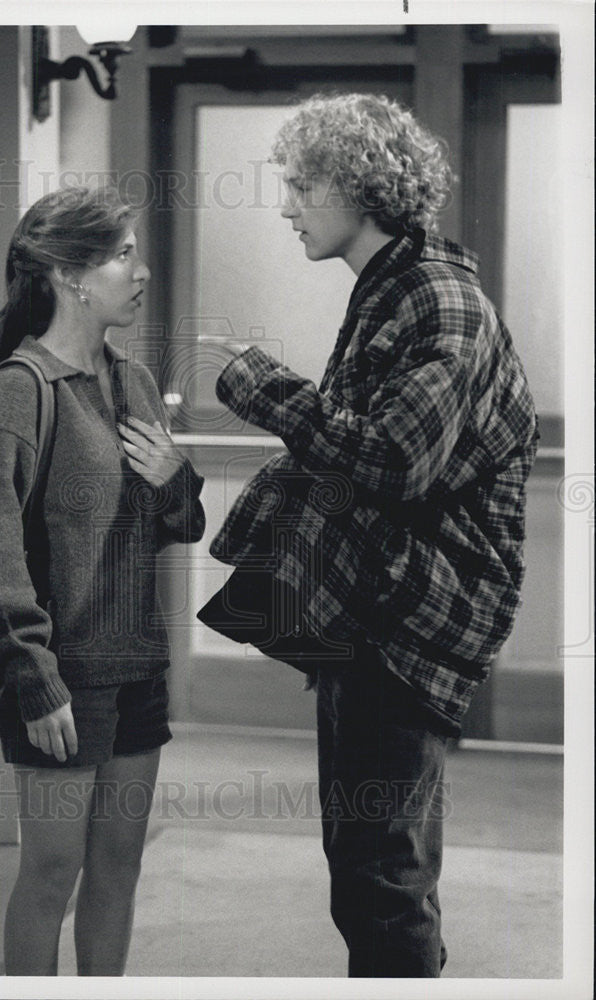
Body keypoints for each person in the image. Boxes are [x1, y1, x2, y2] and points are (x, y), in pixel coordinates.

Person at [198, 93, 538, 977]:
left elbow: (390, 462)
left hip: (411, 624)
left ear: (361, 187)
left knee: (381, 876)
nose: (285, 206)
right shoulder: (397, 289)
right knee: (370, 867)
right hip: (384, 616)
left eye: (302, 185)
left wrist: (257, 383)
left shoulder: (439, 303)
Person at [0, 185, 205, 975]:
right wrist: (32, 676)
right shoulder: (19, 391)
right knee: (51, 874)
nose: (144, 271)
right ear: (69, 274)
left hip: (136, 667)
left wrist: (176, 477)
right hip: (60, 679)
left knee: (120, 868)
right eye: (125, 255)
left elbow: (181, 523)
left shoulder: (129, 380)